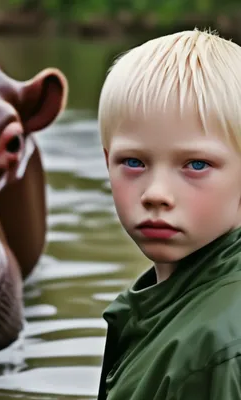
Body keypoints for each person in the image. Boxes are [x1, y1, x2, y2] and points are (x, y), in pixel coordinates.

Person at [97, 28, 241, 400]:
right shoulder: (160, 306)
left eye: (196, 164)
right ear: (105, 161)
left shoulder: (217, 350)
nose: (156, 194)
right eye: (133, 162)